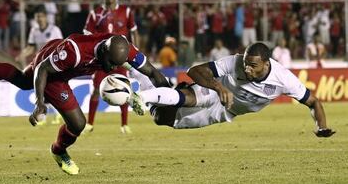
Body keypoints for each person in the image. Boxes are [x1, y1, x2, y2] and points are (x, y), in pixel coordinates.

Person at [0, 33, 169, 175]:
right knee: (78, 124)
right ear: (103, 51)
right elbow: (43, 70)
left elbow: (152, 72)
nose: (111, 69)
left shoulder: (125, 50)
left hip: (56, 55)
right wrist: (40, 103)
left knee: (22, 81)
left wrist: (171, 98)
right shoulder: (76, 53)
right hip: (53, 67)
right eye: (110, 63)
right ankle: (59, 151)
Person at [128, 42, 335, 138]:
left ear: (266, 64)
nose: (246, 68)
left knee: (163, 118)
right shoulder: (236, 62)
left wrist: (321, 127)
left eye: (252, 66)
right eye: (245, 63)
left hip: (225, 112)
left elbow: (313, 102)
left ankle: (141, 73)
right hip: (215, 90)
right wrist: (218, 86)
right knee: (188, 97)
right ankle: (142, 96)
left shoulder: (284, 79)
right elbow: (194, 70)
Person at [83, 0, 139, 134]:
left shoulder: (125, 12)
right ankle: (90, 123)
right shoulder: (95, 13)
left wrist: (136, 51)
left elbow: (133, 32)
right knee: (95, 90)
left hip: (121, 58)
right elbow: (87, 35)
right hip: (102, 59)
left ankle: (124, 124)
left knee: (124, 88)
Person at [16, 6, 64, 125]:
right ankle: (44, 116)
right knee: (42, 90)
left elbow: (62, 45)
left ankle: (57, 115)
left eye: (41, 16)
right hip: (40, 65)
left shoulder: (54, 30)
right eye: (37, 17)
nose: (39, 19)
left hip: (53, 64)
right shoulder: (34, 30)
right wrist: (22, 55)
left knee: (51, 89)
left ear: (46, 17)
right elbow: (31, 47)